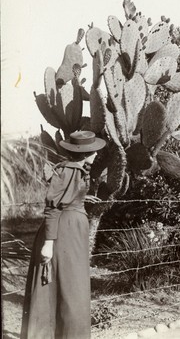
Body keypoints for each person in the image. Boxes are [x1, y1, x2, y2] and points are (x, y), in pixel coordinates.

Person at [21, 131, 106, 339]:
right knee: (69, 288)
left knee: (70, 286)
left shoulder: (76, 170)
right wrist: (48, 243)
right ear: (87, 153)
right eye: (93, 151)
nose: (95, 155)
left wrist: (83, 198)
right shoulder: (68, 171)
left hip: (71, 233)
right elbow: (53, 208)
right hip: (62, 234)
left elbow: (67, 198)